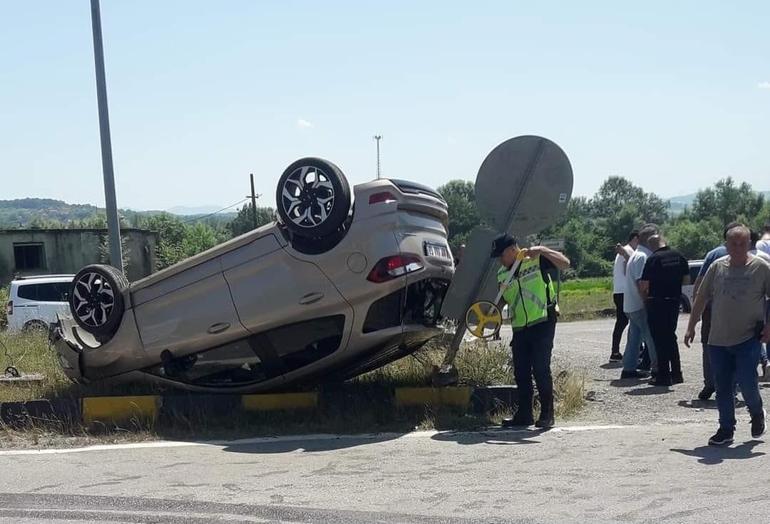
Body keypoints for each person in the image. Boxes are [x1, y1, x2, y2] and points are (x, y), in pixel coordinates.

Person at [684, 225, 770, 446]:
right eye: (734, 243)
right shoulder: (717, 267)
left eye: (743, 243)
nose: (739, 247)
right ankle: (726, 429)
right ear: (726, 245)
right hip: (718, 339)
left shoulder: (761, 268)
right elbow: (701, 297)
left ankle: (757, 412)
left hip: (748, 338)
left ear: (750, 244)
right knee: (722, 386)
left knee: (747, 382)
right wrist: (691, 325)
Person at [491, 233, 570, 429]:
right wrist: (492, 316)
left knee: (541, 369)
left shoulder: (535, 260)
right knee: (521, 372)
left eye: (501, 255)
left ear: (512, 249)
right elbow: (503, 299)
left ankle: (547, 414)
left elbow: (565, 264)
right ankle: (524, 415)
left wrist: (543, 250)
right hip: (520, 327)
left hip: (542, 321)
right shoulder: (502, 273)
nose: (500, 260)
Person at [639, 235, 689, 386]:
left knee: (659, 339)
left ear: (651, 246)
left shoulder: (653, 259)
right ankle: (677, 373)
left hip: (656, 302)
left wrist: (645, 299)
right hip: (674, 301)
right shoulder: (679, 256)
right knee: (670, 336)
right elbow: (686, 279)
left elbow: (643, 285)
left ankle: (663, 375)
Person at [620, 223, 659, 379]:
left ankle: (628, 368)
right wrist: (647, 302)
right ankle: (657, 368)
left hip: (630, 304)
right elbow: (641, 283)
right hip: (639, 304)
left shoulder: (637, 254)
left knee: (634, 337)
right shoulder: (643, 257)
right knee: (650, 337)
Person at [609, 230, 639, 362]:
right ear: (635, 239)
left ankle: (616, 351)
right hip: (625, 292)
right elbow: (628, 271)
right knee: (633, 320)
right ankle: (621, 351)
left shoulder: (624, 251)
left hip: (618, 291)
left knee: (623, 321)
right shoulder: (629, 251)